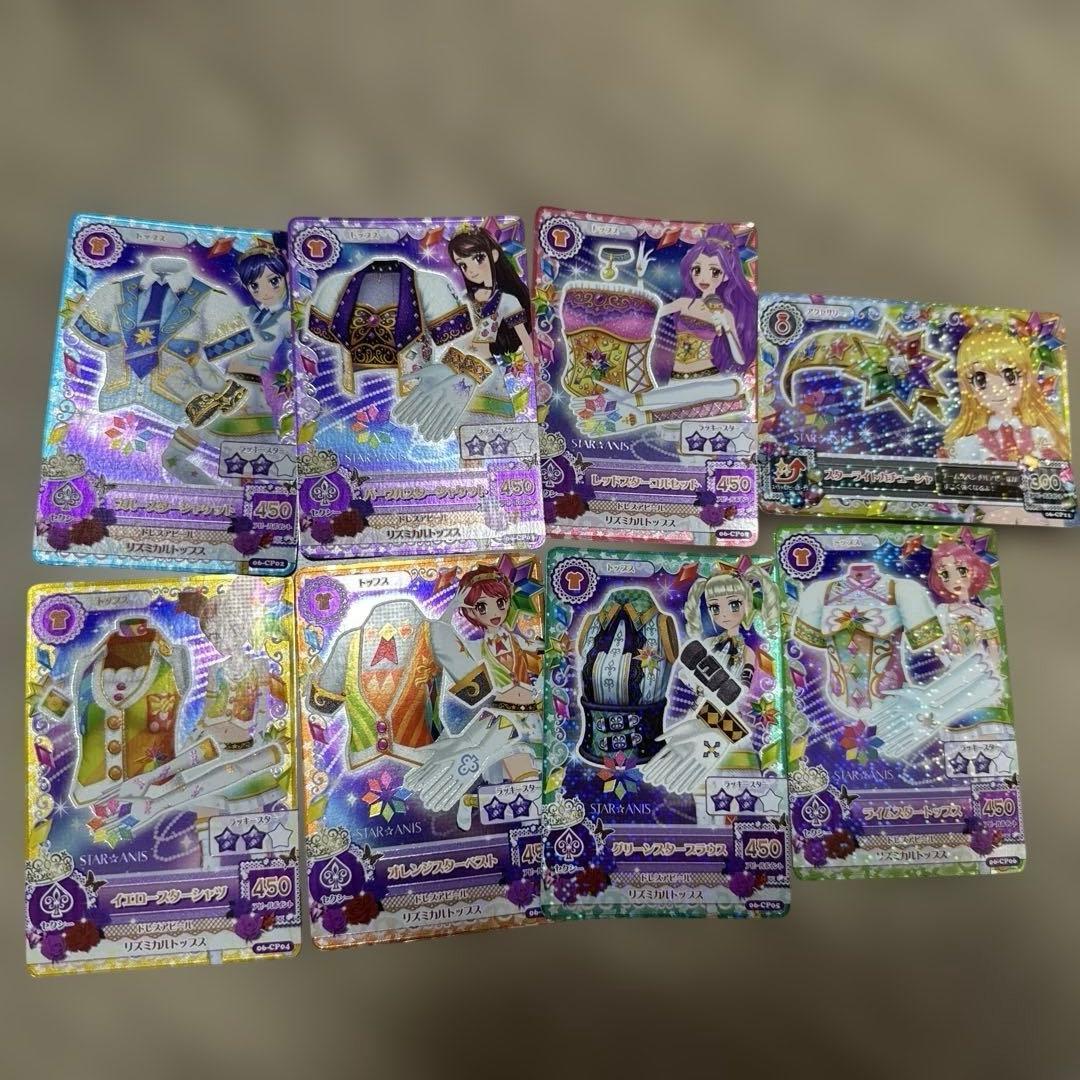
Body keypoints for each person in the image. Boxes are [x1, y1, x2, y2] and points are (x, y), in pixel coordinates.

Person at [943, 326, 1069, 463]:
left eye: (1009, 376)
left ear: (1026, 378)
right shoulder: (969, 444)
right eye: (980, 379)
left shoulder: (1039, 435)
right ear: (968, 387)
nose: (996, 388)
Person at [653, 224, 756, 381]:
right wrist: (639, 279)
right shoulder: (683, 303)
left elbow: (740, 360)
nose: (703, 278)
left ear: (726, 276)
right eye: (697, 270)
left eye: (714, 271)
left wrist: (727, 328)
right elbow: (652, 313)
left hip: (706, 378)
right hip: (676, 378)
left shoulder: (724, 313)